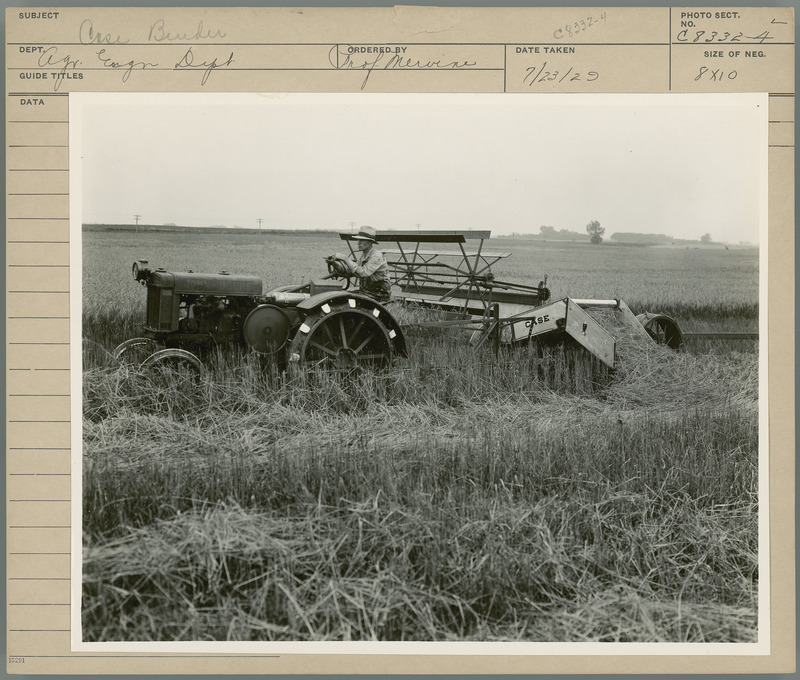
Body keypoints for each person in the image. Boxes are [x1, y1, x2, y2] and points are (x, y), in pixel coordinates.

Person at [331, 226, 392, 302]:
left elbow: (363, 273)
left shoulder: (376, 256)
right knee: (340, 296)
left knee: (347, 299)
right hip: (367, 291)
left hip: (379, 292)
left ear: (370, 242)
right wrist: (335, 264)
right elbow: (351, 271)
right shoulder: (364, 256)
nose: (359, 242)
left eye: (362, 240)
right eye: (359, 239)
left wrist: (345, 258)